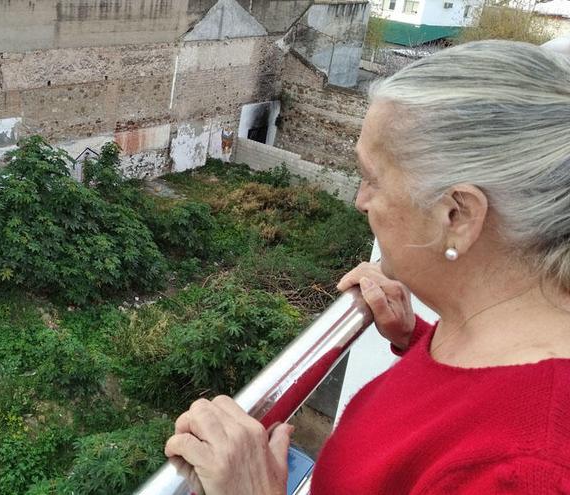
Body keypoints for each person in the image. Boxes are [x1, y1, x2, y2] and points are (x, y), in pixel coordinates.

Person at [163, 40, 570, 494]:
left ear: (458, 215)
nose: (360, 201)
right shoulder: (498, 328)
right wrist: (415, 342)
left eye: (372, 179)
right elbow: (467, 409)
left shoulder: (527, 470)